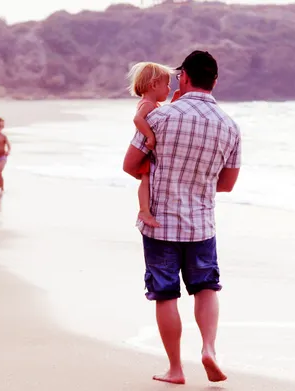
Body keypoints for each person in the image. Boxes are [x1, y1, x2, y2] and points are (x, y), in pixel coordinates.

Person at [122, 50, 242, 385]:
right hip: (201, 224)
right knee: (206, 288)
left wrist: (162, 176)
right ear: (215, 81)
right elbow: (228, 184)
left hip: (159, 222)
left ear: (183, 77)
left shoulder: (160, 117)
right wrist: (197, 182)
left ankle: (175, 369)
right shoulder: (230, 126)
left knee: (165, 295)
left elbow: (130, 165)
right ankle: (209, 349)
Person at [126, 62, 173, 228]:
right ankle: (144, 210)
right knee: (145, 180)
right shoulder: (147, 104)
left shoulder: (152, 104)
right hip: (145, 151)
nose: (169, 89)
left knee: (146, 180)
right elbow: (137, 119)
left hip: (146, 152)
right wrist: (150, 135)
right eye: (167, 85)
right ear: (154, 85)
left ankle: (145, 210)